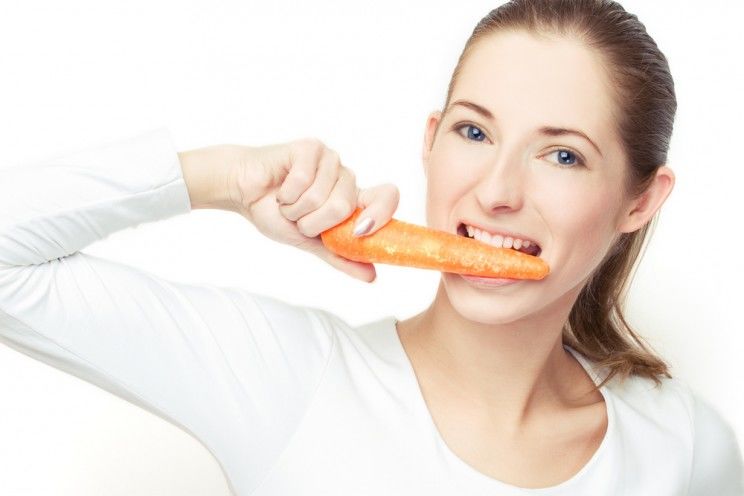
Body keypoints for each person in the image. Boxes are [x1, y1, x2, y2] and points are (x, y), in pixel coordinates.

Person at [0, 0, 742, 494]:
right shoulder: (288, 376)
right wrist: (221, 178)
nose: (496, 191)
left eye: (563, 155)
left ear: (641, 200)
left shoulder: (686, 448)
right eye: (474, 132)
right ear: (430, 142)